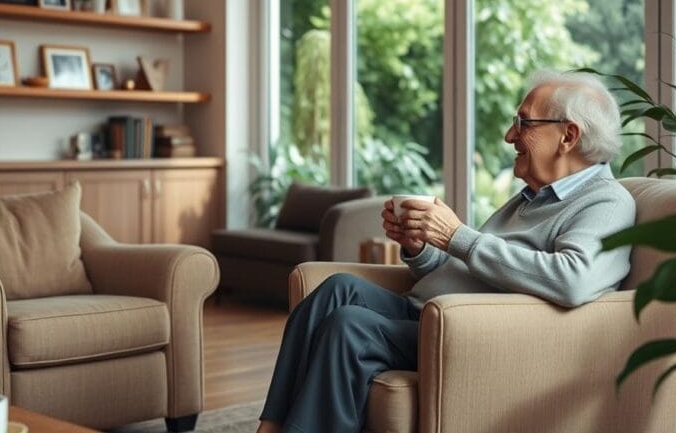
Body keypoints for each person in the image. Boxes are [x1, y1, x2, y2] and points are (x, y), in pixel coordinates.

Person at [256, 69, 637, 433]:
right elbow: (471, 271)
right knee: (338, 288)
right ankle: (270, 427)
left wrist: (457, 235)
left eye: (523, 123)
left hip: (472, 332)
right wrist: (421, 248)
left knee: (349, 326)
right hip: (430, 314)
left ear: (568, 135)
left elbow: (573, 279)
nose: (509, 136)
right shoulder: (529, 199)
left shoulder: (607, 203)